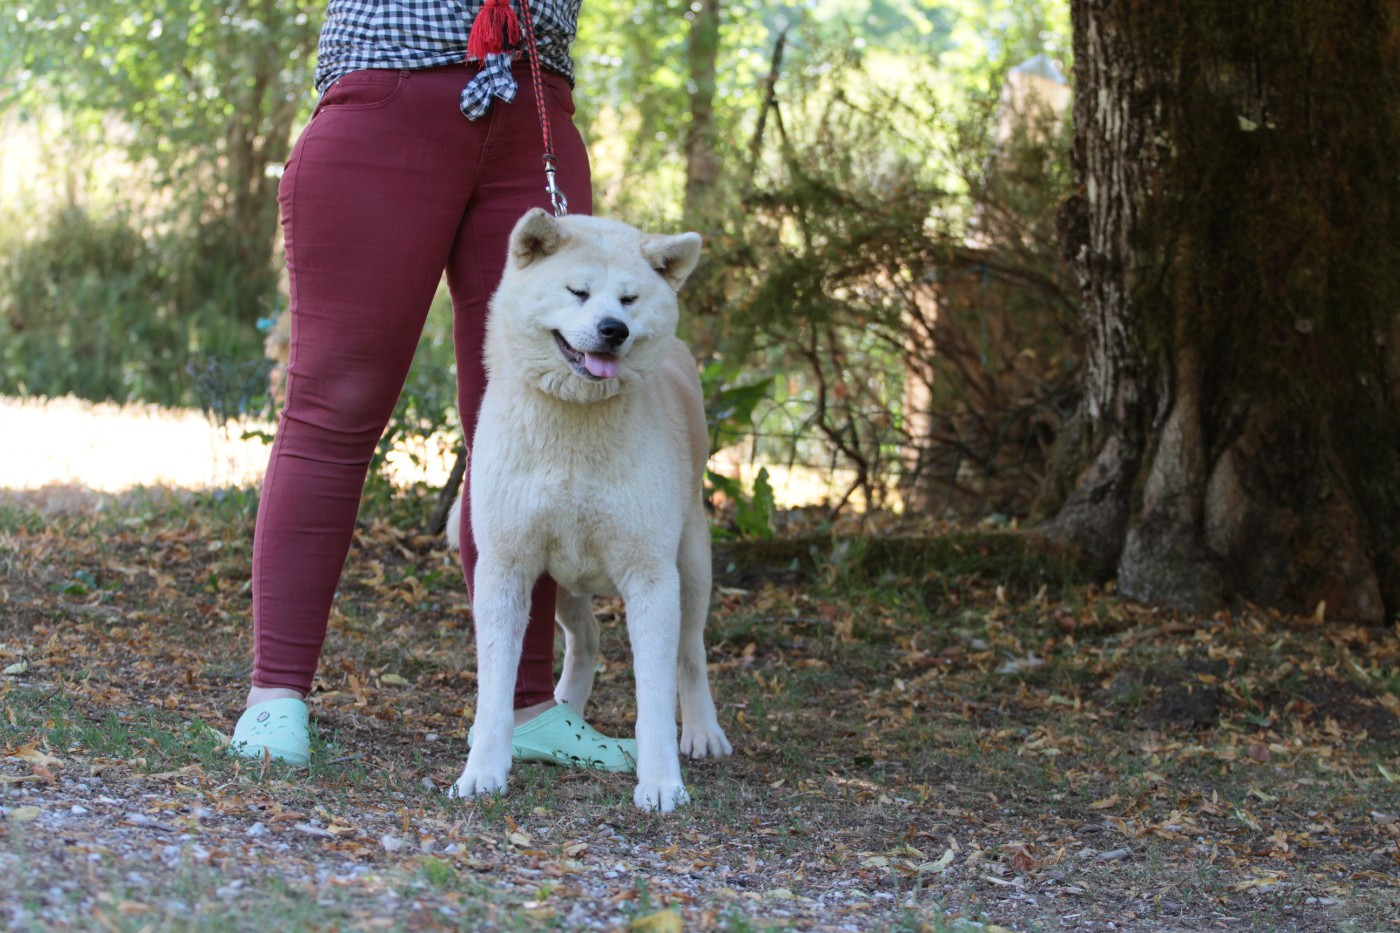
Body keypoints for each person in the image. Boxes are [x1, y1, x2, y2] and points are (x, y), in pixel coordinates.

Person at [228, 0, 635, 773]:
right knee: (336, 402)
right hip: (387, 95)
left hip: (536, 110)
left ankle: (526, 704)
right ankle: (275, 694)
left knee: (533, 418)